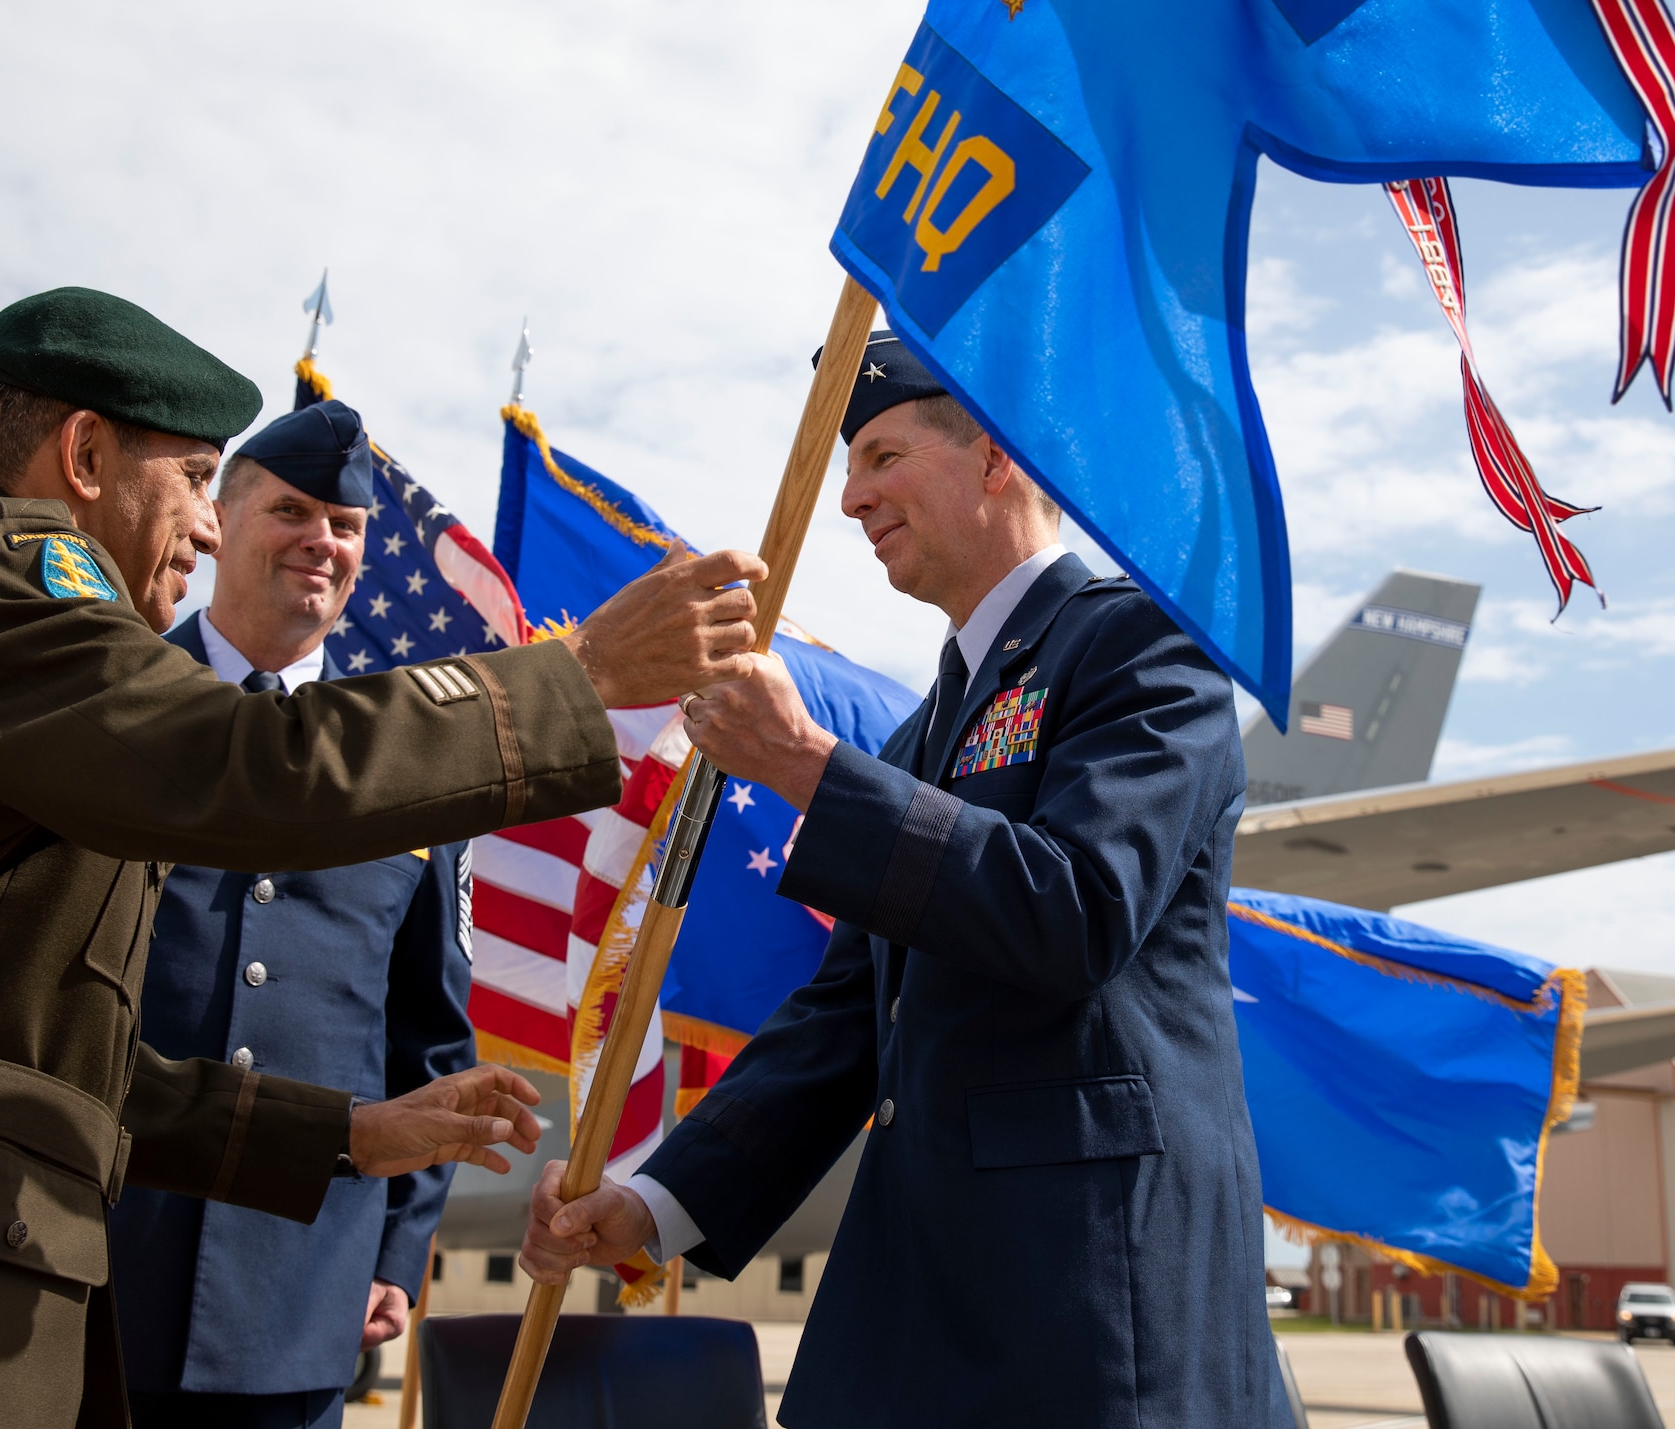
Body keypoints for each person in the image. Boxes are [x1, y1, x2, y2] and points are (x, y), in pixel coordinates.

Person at [0, 286, 765, 1428]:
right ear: (85, 454)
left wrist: (348, 1135)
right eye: (196, 478)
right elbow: (248, 766)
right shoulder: (2, 585)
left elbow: (41, 1064)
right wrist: (575, 677)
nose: (203, 525)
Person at [518, 333, 1287, 1427]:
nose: (848, 498)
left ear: (996, 457)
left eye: (880, 455)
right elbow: (847, 1018)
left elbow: (1074, 910)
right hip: (919, 1312)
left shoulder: (1144, 649)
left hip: (1088, 1316)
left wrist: (802, 766)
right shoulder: (929, 730)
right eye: (846, 466)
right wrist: (650, 1203)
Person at [110, 398, 477, 1429]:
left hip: (305, 1289)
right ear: (220, 521)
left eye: (346, 524)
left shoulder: (408, 760)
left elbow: (430, 1045)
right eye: (291, 510)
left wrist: (395, 1252)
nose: (322, 539)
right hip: (100, 1263)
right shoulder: (116, 706)